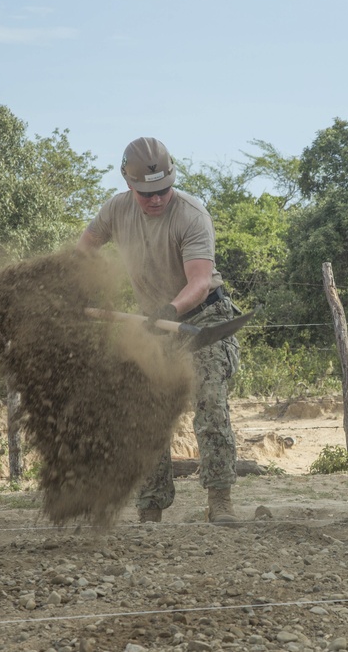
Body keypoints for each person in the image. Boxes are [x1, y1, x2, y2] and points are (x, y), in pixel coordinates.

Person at [78, 137, 242, 525]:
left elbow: (199, 282)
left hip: (203, 318)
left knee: (210, 402)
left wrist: (169, 309)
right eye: (146, 193)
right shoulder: (116, 210)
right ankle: (150, 506)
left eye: (163, 190)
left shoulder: (191, 215)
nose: (156, 199)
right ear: (129, 185)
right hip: (152, 321)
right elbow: (84, 248)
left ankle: (220, 500)